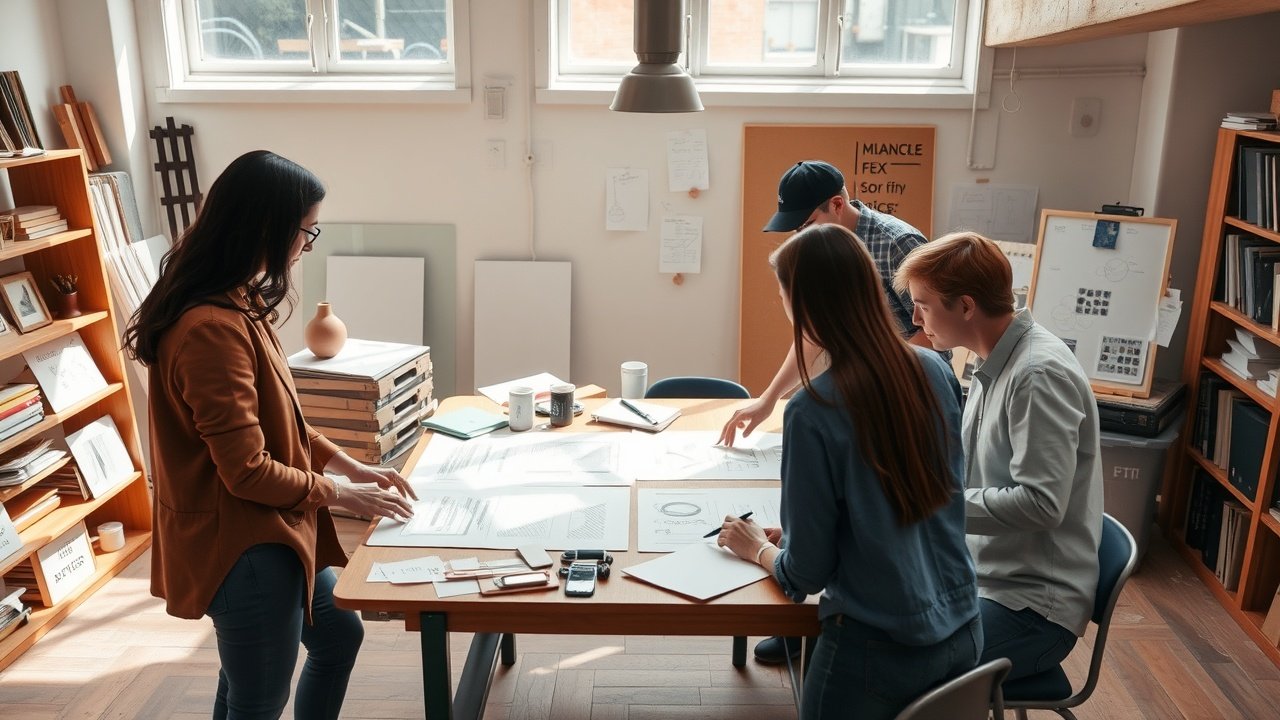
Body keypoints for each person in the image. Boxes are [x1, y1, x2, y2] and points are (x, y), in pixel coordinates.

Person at [123, 150, 418, 720]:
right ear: (267, 227)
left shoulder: (237, 301)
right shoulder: (210, 329)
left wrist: (350, 467)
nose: (307, 245)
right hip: (241, 546)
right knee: (256, 699)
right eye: (306, 231)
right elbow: (248, 469)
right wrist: (343, 494)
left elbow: (285, 419)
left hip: (272, 527)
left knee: (333, 640)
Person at [717, 224, 980, 720]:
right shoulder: (933, 370)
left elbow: (803, 576)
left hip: (876, 654)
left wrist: (758, 547)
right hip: (963, 633)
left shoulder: (812, 411)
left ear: (804, 306)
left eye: (782, 296)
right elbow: (921, 498)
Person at [718, 159, 937, 664]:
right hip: (947, 623)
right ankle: (801, 628)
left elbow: (931, 332)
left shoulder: (899, 245)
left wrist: (758, 548)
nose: (799, 235)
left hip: (895, 399)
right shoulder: (919, 375)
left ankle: (811, 626)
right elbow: (818, 337)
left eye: (806, 224)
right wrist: (770, 398)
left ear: (837, 204)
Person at [893, 231, 1103, 682]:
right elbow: (977, 473)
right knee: (863, 621)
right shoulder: (991, 360)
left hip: (1032, 609)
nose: (914, 317)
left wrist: (930, 505)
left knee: (887, 666)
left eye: (923, 304)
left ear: (966, 306)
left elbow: (1041, 503)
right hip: (984, 576)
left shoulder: (1036, 374)